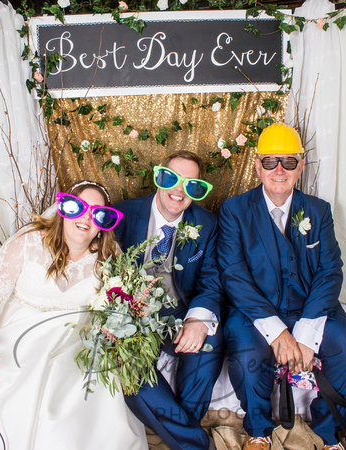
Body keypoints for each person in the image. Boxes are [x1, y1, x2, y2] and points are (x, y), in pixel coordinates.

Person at [0, 180, 148, 450]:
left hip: (76, 343)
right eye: (78, 207)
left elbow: (121, 310)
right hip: (18, 335)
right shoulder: (26, 244)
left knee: (75, 399)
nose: (86, 217)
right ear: (63, 210)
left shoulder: (111, 257)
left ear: (103, 224)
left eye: (97, 213)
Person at [217, 122, 346, 450]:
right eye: (270, 161)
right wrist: (277, 332)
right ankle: (258, 430)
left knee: (345, 345)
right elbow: (233, 275)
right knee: (245, 351)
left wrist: (305, 333)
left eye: (288, 162)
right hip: (254, 312)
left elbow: (331, 272)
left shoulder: (319, 211)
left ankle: (330, 429)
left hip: (311, 311)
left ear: (300, 167)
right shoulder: (234, 211)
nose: (279, 170)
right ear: (258, 166)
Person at [113, 150, 224, 450]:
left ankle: (181, 433)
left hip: (181, 315)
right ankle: (195, 443)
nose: (179, 190)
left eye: (190, 184)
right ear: (159, 177)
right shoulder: (123, 214)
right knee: (131, 372)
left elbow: (211, 281)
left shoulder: (207, 224)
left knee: (211, 343)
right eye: (172, 178)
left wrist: (198, 321)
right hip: (132, 323)